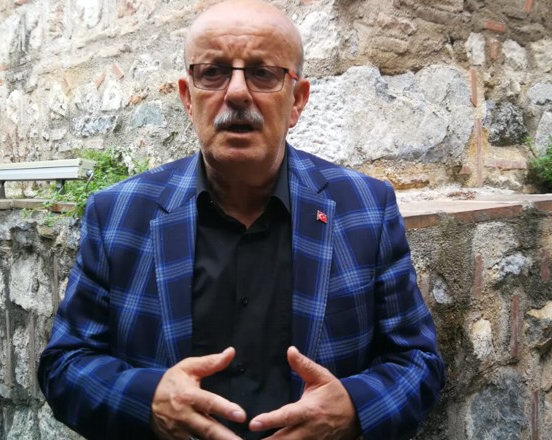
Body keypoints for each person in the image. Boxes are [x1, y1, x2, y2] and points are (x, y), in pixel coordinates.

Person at [37, 1, 445, 439]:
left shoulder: (365, 207)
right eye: (212, 72)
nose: (235, 93)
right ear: (187, 97)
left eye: (262, 73)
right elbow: (65, 364)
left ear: (297, 100)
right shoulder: (118, 215)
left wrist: (352, 409)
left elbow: (418, 362)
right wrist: (148, 401)